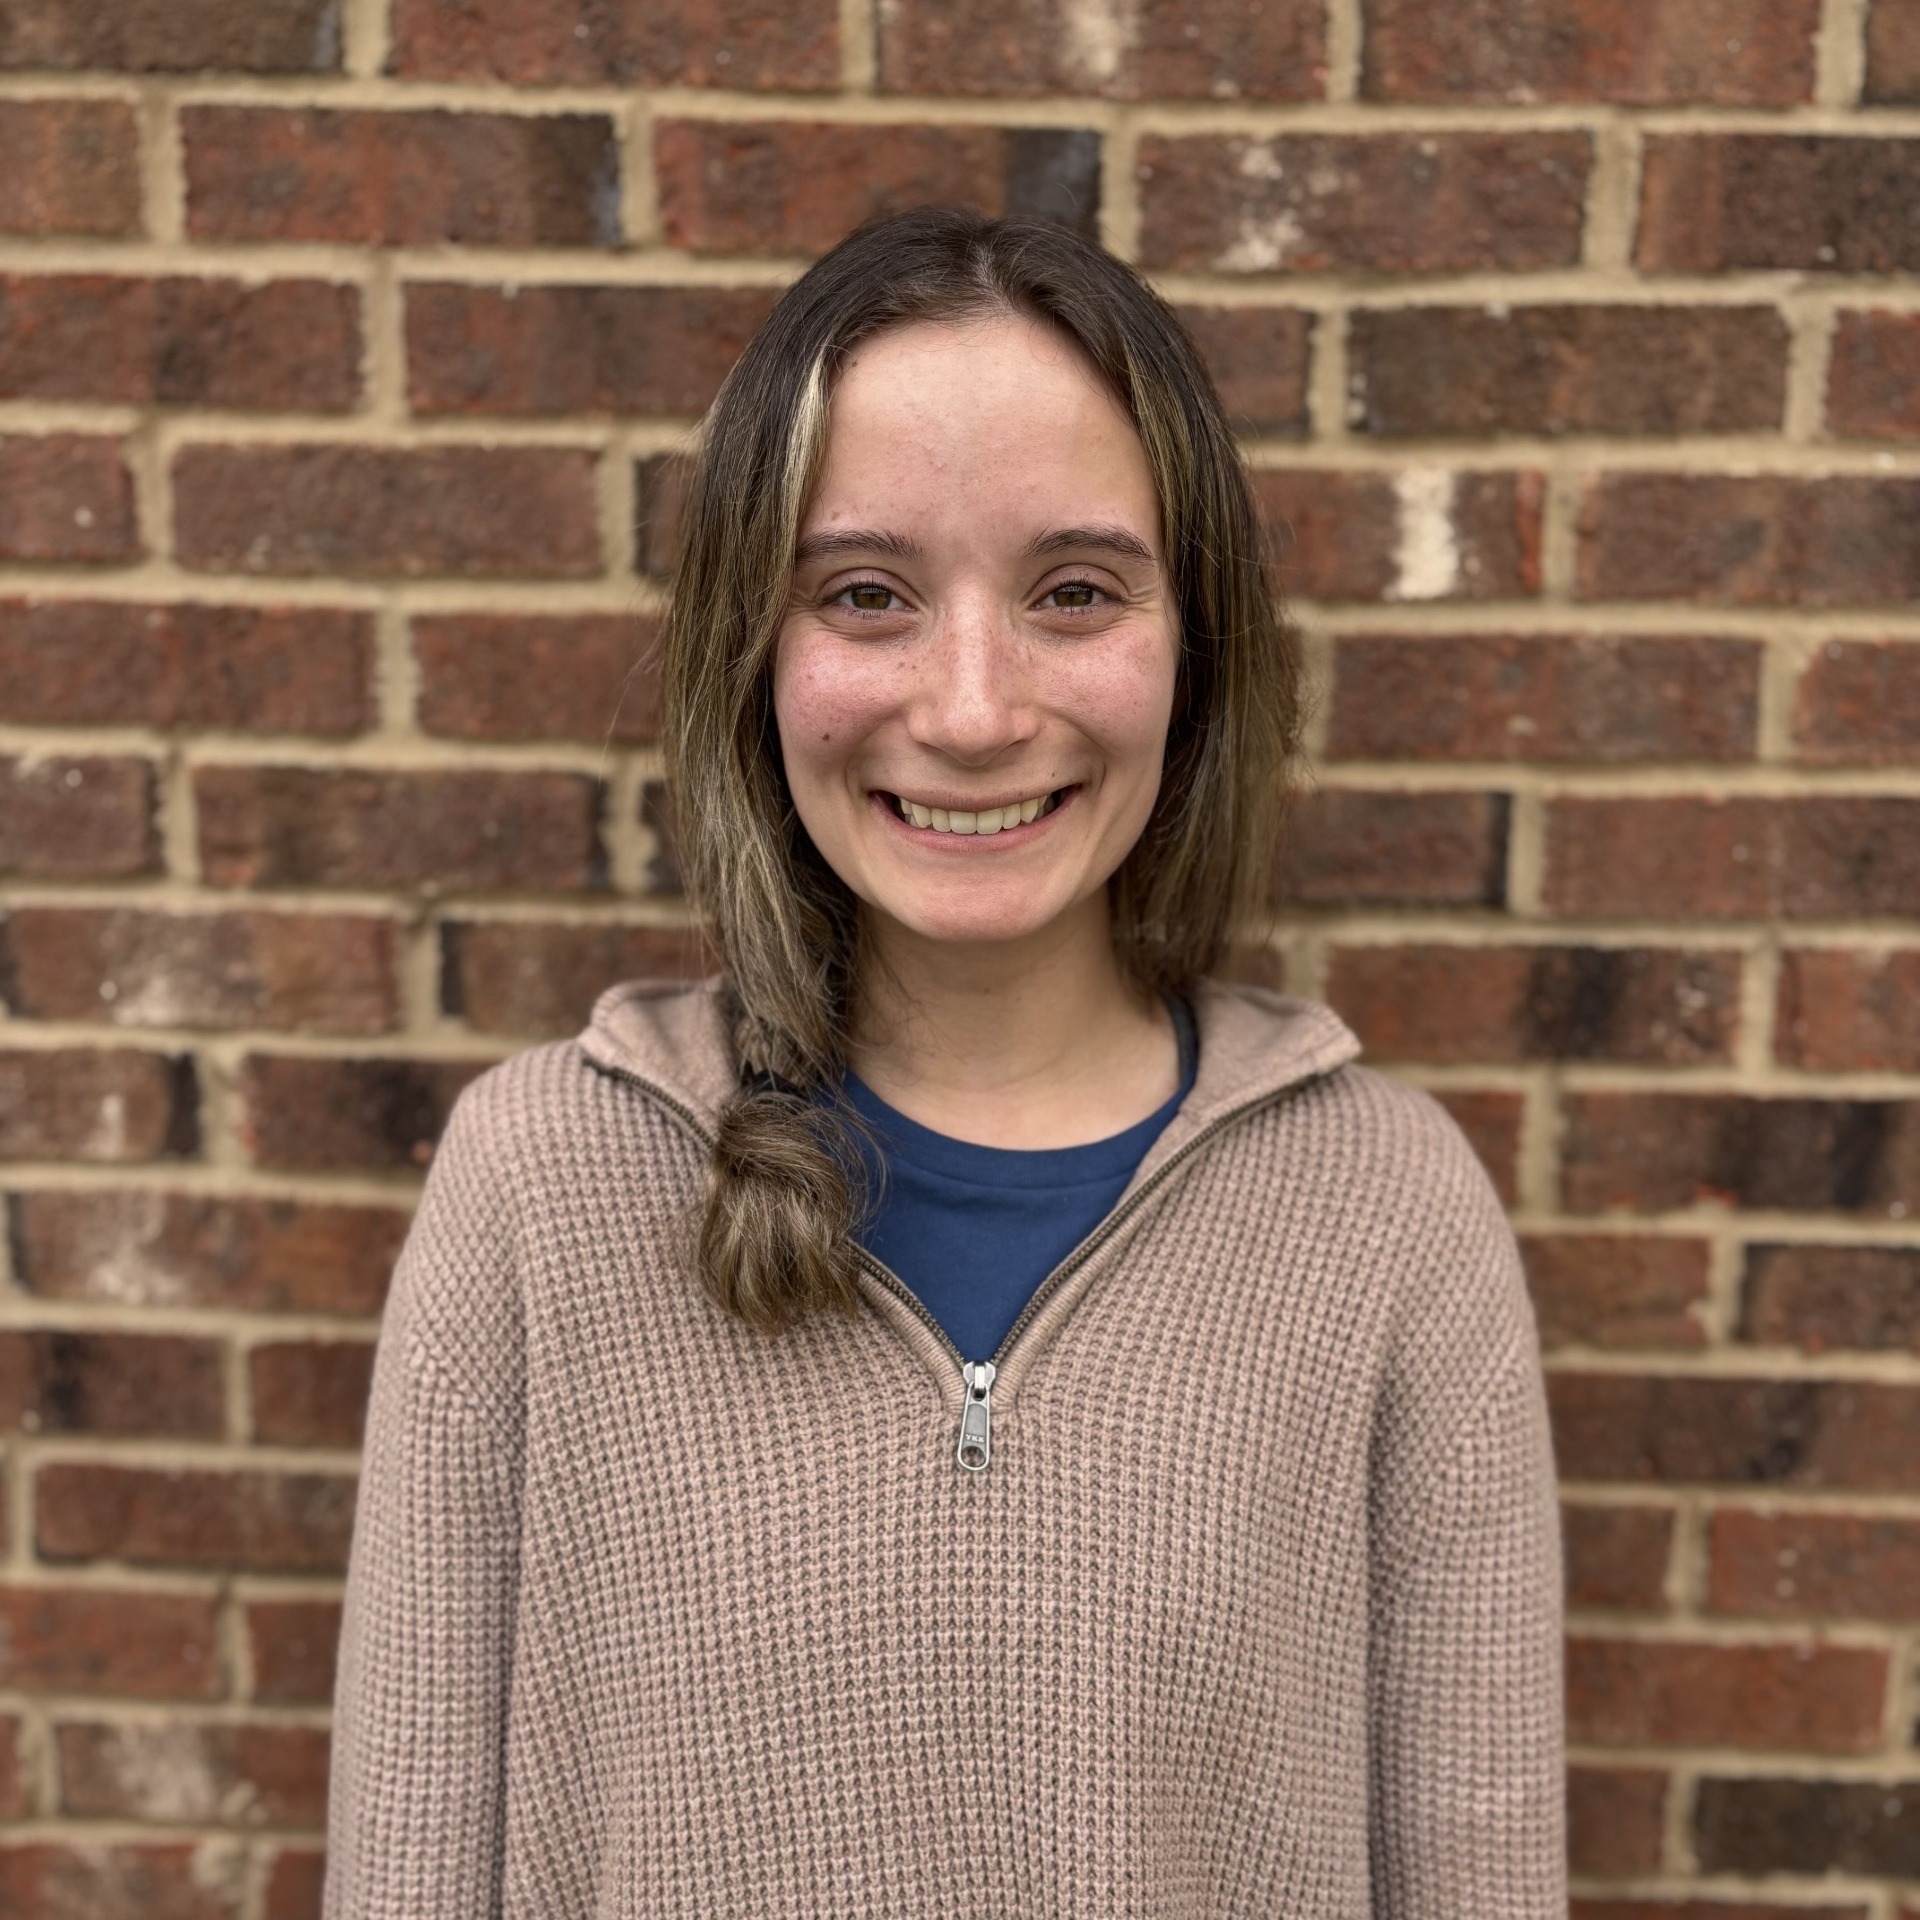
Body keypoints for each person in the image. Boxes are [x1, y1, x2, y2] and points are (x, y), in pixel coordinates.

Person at [323, 208, 1565, 1917]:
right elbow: (405, 1872)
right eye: (866, 594)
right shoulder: (540, 1186)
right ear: (754, 652)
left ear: (1196, 647)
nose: (974, 710)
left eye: (1075, 592)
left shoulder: (1386, 1212)